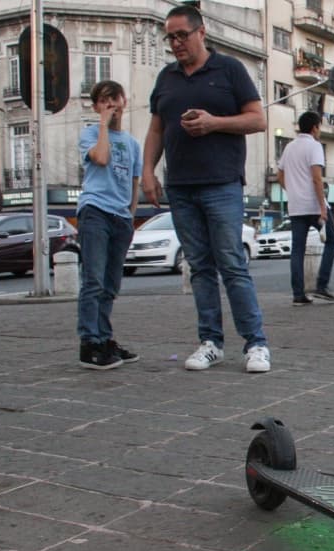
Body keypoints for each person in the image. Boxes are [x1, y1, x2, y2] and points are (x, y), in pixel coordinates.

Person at [141, 4, 271, 373]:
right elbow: (156, 129)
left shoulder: (229, 69)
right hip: (180, 186)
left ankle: (256, 343)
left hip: (222, 183)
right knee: (198, 267)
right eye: (170, 37)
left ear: (202, 32)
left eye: (182, 35)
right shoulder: (166, 77)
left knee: (231, 263)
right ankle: (211, 341)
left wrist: (214, 123)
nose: (176, 43)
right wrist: (147, 172)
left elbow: (258, 119)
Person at [76, 80, 141, 370]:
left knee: (111, 285)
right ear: (96, 106)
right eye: (104, 100)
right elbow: (101, 158)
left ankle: (104, 338)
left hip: (121, 218)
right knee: (94, 280)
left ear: (125, 100)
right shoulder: (89, 134)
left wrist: (130, 215)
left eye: (115, 98)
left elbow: (134, 182)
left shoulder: (132, 144)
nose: (112, 105)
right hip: (95, 212)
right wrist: (103, 124)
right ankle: (90, 342)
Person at [278, 111, 334, 305]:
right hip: (314, 205)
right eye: (319, 127)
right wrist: (322, 207)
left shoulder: (289, 147)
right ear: (314, 128)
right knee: (332, 241)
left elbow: (280, 175)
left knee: (297, 249)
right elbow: (316, 178)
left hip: (296, 206)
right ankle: (322, 285)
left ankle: (298, 294)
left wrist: (293, 191)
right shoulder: (314, 146)